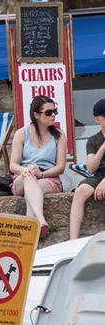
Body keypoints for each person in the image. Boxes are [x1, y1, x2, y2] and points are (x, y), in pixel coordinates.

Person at [10, 95, 67, 238]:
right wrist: (28, 170)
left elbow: (60, 167)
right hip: (23, 176)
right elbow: (13, 165)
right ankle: (41, 221)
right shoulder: (21, 133)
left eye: (55, 111)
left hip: (48, 177)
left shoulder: (59, 135)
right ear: (36, 114)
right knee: (29, 178)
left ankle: (30, 228)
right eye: (48, 112)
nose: (53, 115)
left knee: (33, 191)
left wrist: (41, 174)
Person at [69, 99, 105, 240]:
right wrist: (103, 147)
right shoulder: (93, 140)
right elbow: (91, 168)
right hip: (99, 174)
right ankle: (72, 241)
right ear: (97, 119)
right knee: (80, 192)